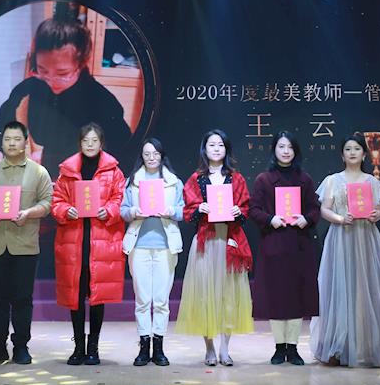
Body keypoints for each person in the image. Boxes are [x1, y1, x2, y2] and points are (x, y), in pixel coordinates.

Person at [311, 134, 380, 368]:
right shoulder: (332, 180)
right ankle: (341, 345)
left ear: (363, 154)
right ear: (342, 155)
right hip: (342, 237)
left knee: (367, 287)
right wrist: (341, 218)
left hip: (366, 238)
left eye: (357, 149)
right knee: (343, 287)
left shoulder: (371, 181)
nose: (352, 153)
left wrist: (375, 215)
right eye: (348, 149)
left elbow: (378, 211)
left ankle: (368, 345)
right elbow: (324, 210)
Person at [0, 16, 132, 170]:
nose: (51, 80)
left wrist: (49, 158)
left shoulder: (102, 101)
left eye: (62, 73)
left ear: (81, 64)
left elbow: (122, 154)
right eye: (42, 70)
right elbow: (1, 127)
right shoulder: (27, 89)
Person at [0, 121, 53, 365]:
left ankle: (21, 346)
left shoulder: (39, 172)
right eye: (7, 139)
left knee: (22, 298)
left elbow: (47, 203)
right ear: (2, 142)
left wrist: (28, 213)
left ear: (26, 142)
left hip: (24, 245)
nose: (12, 143)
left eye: (17, 139)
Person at [175, 129, 253, 367]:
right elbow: (187, 211)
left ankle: (225, 349)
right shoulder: (196, 178)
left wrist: (239, 211)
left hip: (229, 241)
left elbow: (245, 208)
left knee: (229, 295)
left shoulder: (236, 178)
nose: (216, 149)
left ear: (226, 149)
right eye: (212, 145)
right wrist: (199, 209)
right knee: (205, 295)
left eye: (220, 145)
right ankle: (209, 347)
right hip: (206, 242)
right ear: (205, 149)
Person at [51, 123, 126, 366]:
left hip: (101, 242)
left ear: (101, 143)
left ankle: (93, 348)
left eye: (94, 141)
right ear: (80, 143)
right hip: (74, 243)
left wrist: (109, 210)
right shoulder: (67, 171)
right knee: (75, 298)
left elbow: (120, 199)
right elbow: (57, 201)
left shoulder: (113, 172)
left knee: (97, 297)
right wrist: (66, 210)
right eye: (86, 141)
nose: (90, 145)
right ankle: (78, 348)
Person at [248, 131, 320, 366]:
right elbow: (253, 209)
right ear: (274, 150)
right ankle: (279, 348)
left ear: (295, 151)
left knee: (297, 297)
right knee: (277, 297)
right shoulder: (263, 180)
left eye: (290, 147)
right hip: (274, 243)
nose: (286, 151)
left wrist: (306, 219)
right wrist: (270, 219)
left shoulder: (305, 179)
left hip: (299, 245)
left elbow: (315, 209)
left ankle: (293, 347)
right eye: (281, 146)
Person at [119, 138, 184, 366]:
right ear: (142, 156)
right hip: (139, 246)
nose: (151, 157)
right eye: (147, 154)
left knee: (161, 300)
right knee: (143, 299)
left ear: (162, 155)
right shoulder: (132, 182)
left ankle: (159, 347)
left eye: (155, 153)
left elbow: (183, 210)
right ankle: (143, 346)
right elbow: (123, 210)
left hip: (166, 246)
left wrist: (171, 210)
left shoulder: (173, 182)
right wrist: (134, 212)